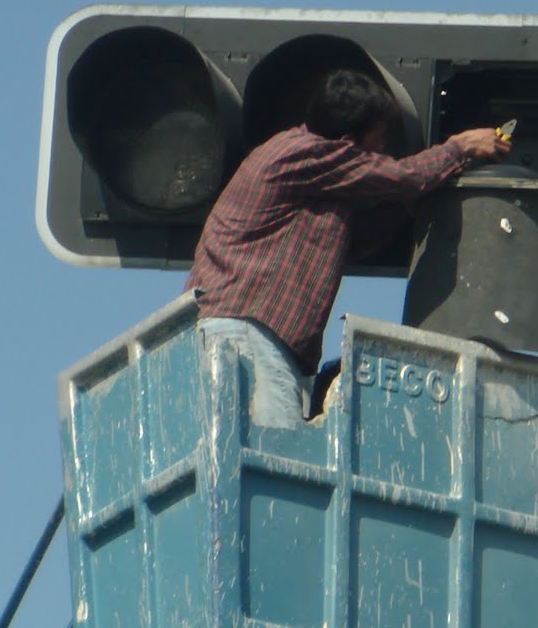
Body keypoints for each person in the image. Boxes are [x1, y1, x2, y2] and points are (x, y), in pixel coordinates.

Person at [185, 68, 510, 426]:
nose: (381, 148)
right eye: (378, 137)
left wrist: (406, 211)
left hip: (251, 337)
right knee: (268, 452)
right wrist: (460, 147)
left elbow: (343, 246)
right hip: (246, 336)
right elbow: (406, 176)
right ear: (346, 140)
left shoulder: (311, 174)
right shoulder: (304, 153)